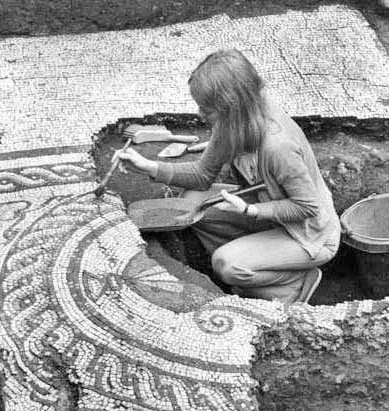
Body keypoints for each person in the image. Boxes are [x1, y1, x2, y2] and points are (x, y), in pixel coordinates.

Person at [115, 49, 341, 304]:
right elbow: (202, 176)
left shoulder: (278, 146)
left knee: (225, 263)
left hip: (308, 234)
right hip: (268, 211)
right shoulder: (234, 121)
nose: (200, 114)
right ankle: (256, 257)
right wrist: (149, 167)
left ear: (231, 106)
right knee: (191, 201)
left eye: (206, 109)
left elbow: (307, 207)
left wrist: (250, 210)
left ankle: (292, 284)